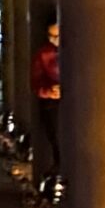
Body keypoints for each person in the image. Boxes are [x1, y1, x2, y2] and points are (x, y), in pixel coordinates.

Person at [33, 16, 62, 178]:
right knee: (56, 137)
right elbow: (36, 83)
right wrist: (50, 91)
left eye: (57, 36)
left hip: (73, 103)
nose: (54, 40)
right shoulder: (44, 54)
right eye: (51, 36)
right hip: (51, 102)